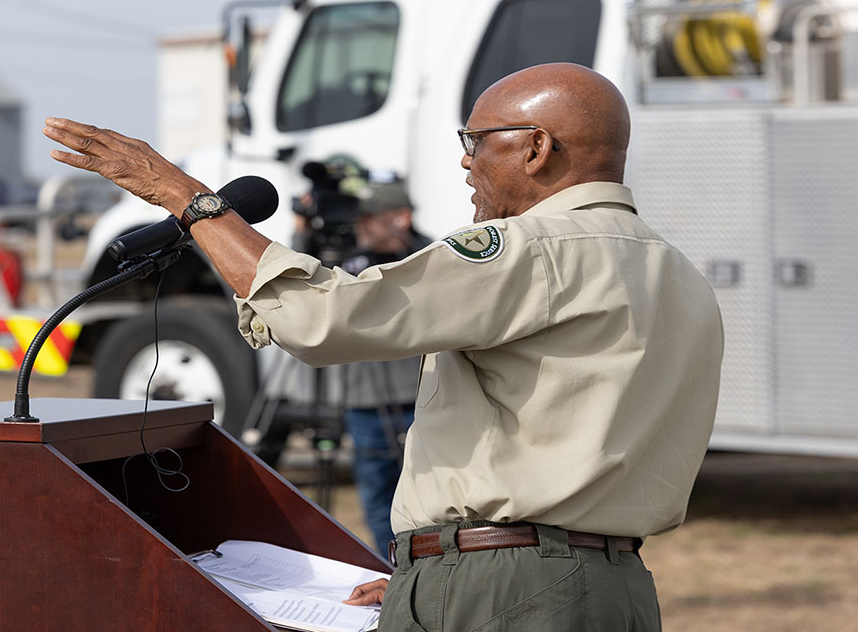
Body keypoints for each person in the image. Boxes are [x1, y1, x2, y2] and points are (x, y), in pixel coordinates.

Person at [42, 62, 723, 631]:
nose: (466, 158)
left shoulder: (530, 252)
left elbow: (322, 318)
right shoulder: (677, 274)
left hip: (507, 589)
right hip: (616, 588)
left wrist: (182, 194)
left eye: (478, 139)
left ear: (536, 148)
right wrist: (435, 573)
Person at [335, 183, 430, 551]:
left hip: (418, 398)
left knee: (426, 496)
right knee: (377, 500)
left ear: (402, 218)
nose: (361, 226)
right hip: (365, 401)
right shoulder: (349, 259)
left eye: (371, 218)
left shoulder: (430, 257)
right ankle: (385, 570)